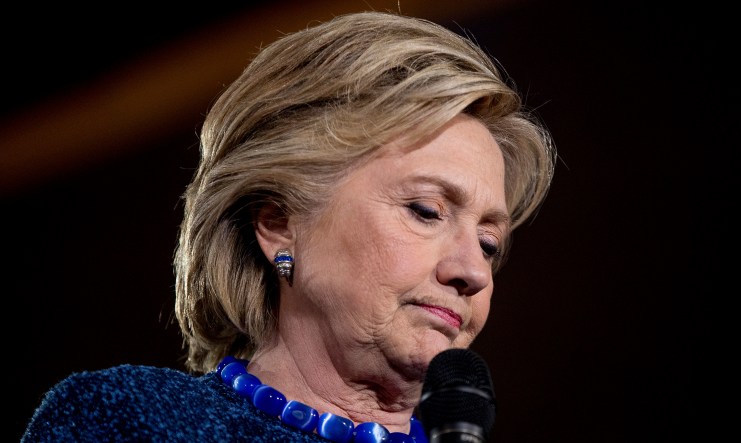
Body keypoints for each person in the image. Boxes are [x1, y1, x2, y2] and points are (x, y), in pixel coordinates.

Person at [21, 10, 555, 443]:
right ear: (279, 223)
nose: (473, 272)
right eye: (426, 211)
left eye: (489, 243)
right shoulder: (127, 422)